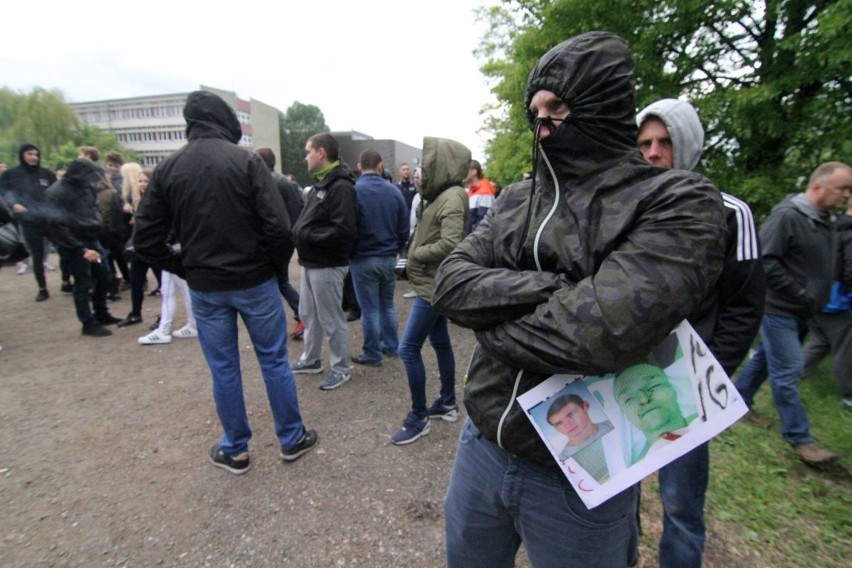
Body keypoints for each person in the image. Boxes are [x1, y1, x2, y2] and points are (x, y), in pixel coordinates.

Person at [432, 32, 726, 567]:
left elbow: (596, 336)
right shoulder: (519, 199)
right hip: (482, 444)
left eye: (559, 106)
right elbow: (450, 281)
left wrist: (487, 321)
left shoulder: (676, 200)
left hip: (582, 470)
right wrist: (552, 289)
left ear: (602, 105)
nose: (543, 123)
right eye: (536, 109)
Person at [133, 90, 317, 474]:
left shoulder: (168, 169)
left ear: (190, 123)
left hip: (206, 286)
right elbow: (279, 228)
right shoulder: (246, 162)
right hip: (254, 281)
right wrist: (275, 270)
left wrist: (185, 267)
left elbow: (146, 239)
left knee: (225, 368)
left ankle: (235, 448)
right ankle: (291, 437)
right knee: (273, 360)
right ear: (226, 122)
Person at [636, 97, 765, 568]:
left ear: (686, 144)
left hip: (685, 387)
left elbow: (745, 308)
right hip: (620, 380)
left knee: (682, 507)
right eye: (644, 142)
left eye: (665, 141)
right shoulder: (621, 212)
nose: (652, 152)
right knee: (617, 498)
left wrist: (704, 381)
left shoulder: (730, 213)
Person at [735, 162, 851, 465]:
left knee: (763, 360)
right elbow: (765, 260)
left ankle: (737, 403)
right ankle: (801, 438)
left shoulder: (827, 222)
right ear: (817, 187)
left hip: (803, 311)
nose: (847, 196)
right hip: (777, 308)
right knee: (789, 370)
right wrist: (799, 292)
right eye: (842, 189)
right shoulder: (788, 217)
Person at [391, 137, 470, 445]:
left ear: (442, 164)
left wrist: (416, 254)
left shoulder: (452, 196)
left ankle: (419, 417)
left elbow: (451, 243)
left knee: (408, 348)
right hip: (431, 282)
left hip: (433, 285)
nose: (422, 170)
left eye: (427, 163)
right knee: (440, 342)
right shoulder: (442, 194)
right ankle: (448, 402)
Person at [290, 133, 357, 391]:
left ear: (320, 153)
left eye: (308, 151)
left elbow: (344, 231)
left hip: (327, 264)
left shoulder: (340, 187)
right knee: (309, 314)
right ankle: (311, 359)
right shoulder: (322, 183)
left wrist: (306, 235)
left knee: (331, 319)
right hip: (312, 262)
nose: (305, 157)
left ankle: (341, 368)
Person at [44, 159, 121, 336]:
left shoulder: (87, 188)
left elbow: (93, 210)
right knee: (83, 282)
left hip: (92, 238)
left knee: (104, 276)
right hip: (72, 243)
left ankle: (101, 313)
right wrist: (81, 249)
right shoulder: (56, 192)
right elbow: (57, 226)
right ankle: (87, 322)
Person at [350, 149, 409, 367]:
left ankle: (372, 353)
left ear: (359, 166)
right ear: (380, 165)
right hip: (388, 256)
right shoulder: (393, 191)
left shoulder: (355, 191)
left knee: (369, 308)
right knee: (387, 304)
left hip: (363, 256)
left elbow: (349, 225)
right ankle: (392, 347)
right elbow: (404, 226)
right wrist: (397, 247)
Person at [802, 194, 852, 411]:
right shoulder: (850, 233)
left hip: (818, 294)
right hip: (838, 300)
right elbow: (850, 271)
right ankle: (849, 394)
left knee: (820, 341)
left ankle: (790, 374)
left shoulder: (830, 225)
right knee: (845, 348)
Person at [255, 147, 305, 340]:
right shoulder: (285, 182)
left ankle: (302, 314)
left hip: (275, 240)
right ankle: (301, 314)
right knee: (278, 281)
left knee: (278, 281)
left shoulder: (268, 182)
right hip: (285, 238)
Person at [0, 142, 57, 301]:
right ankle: (42, 288)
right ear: (22, 155)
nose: (34, 157)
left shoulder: (46, 173)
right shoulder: (11, 174)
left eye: (36, 154)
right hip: (29, 221)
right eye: (30, 154)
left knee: (66, 249)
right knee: (37, 255)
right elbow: (3, 192)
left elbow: (57, 192)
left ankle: (66, 280)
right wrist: (13, 205)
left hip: (50, 220)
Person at [613, 363, 696, 463]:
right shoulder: (637, 472)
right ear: (626, 415)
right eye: (629, 399)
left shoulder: (711, 418)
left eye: (654, 386)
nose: (644, 399)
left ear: (673, 390)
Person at [546, 394, 614, 463]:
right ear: (556, 428)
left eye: (571, 414)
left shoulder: (613, 423)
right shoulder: (563, 459)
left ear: (585, 406)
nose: (568, 425)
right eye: (559, 423)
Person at [463, 159, 495, 235]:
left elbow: (483, 222)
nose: (462, 173)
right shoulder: (471, 192)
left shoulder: (485, 191)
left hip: (474, 242)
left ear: (474, 172)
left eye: (465, 170)